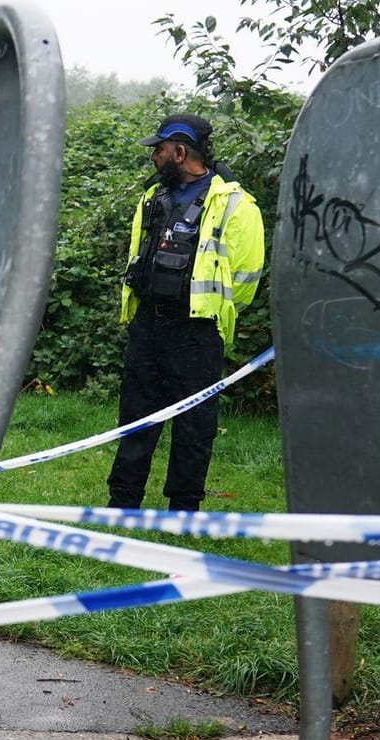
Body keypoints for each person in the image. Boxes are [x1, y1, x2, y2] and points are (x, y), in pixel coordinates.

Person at [107, 113, 265, 513]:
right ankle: (122, 503)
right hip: (148, 325)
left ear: (180, 151)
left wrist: (211, 311)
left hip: (197, 332)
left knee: (194, 426)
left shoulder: (233, 203)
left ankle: (184, 510)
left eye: (158, 149)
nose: (153, 157)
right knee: (136, 417)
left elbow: (246, 277)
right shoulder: (151, 198)